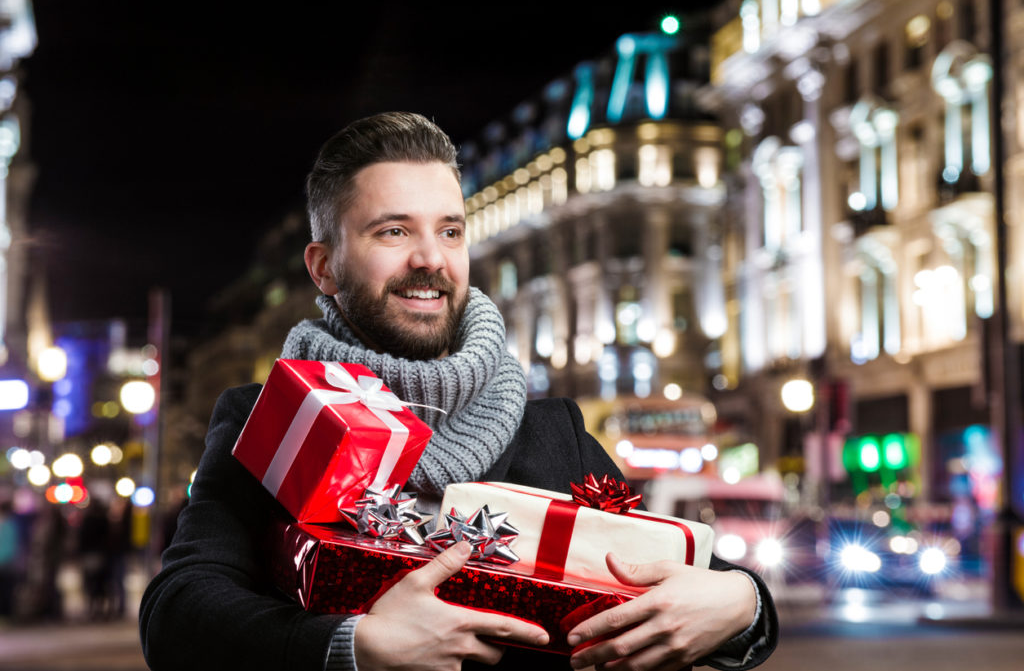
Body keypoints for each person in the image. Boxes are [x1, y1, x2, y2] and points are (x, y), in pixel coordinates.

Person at [140, 112, 778, 671]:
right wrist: (353, 648)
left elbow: (693, 581)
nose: (430, 259)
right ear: (324, 266)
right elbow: (176, 615)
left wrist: (743, 603)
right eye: (393, 232)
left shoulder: (553, 429)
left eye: (450, 231)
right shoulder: (268, 418)